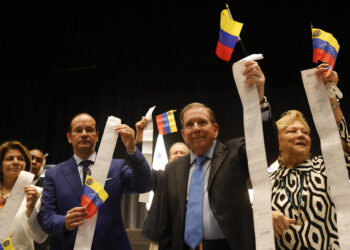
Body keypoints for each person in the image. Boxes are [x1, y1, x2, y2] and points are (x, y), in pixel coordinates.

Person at [160, 61, 279, 250]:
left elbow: (267, 149)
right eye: (190, 124)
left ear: (215, 130)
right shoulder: (172, 169)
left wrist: (259, 103)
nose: (196, 128)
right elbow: (167, 224)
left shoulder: (235, 153)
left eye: (202, 122)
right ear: (183, 134)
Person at [38, 113, 154, 250]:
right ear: (69, 137)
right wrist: (64, 222)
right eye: (78, 130)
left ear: (98, 136)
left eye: (89, 130)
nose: (84, 134)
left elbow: (146, 184)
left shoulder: (117, 167)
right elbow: (45, 215)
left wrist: (132, 149)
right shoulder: (54, 174)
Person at [270, 64, 349, 249]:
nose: (301, 135)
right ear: (277, 142)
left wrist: (330, 95)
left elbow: (344, 145)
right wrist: (266, 216)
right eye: (292, 131)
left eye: (305, 132)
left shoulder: (325, 165)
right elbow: (247, 216)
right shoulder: (267, 180)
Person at [134, 116, 190, 250]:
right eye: (174, 153)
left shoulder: (197, 177)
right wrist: (139, 140)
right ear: (169, 159)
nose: (178, 155)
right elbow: (142, 168)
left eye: (182, 153)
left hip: (189, 239)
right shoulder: (161, 177)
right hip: (161, 240)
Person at [0, 141, 48, 250]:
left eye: (20, 159)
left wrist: (31, 209)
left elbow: (40, 237)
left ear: (26, 164)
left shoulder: (38, 193)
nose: (16, 162)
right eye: (9, 158)